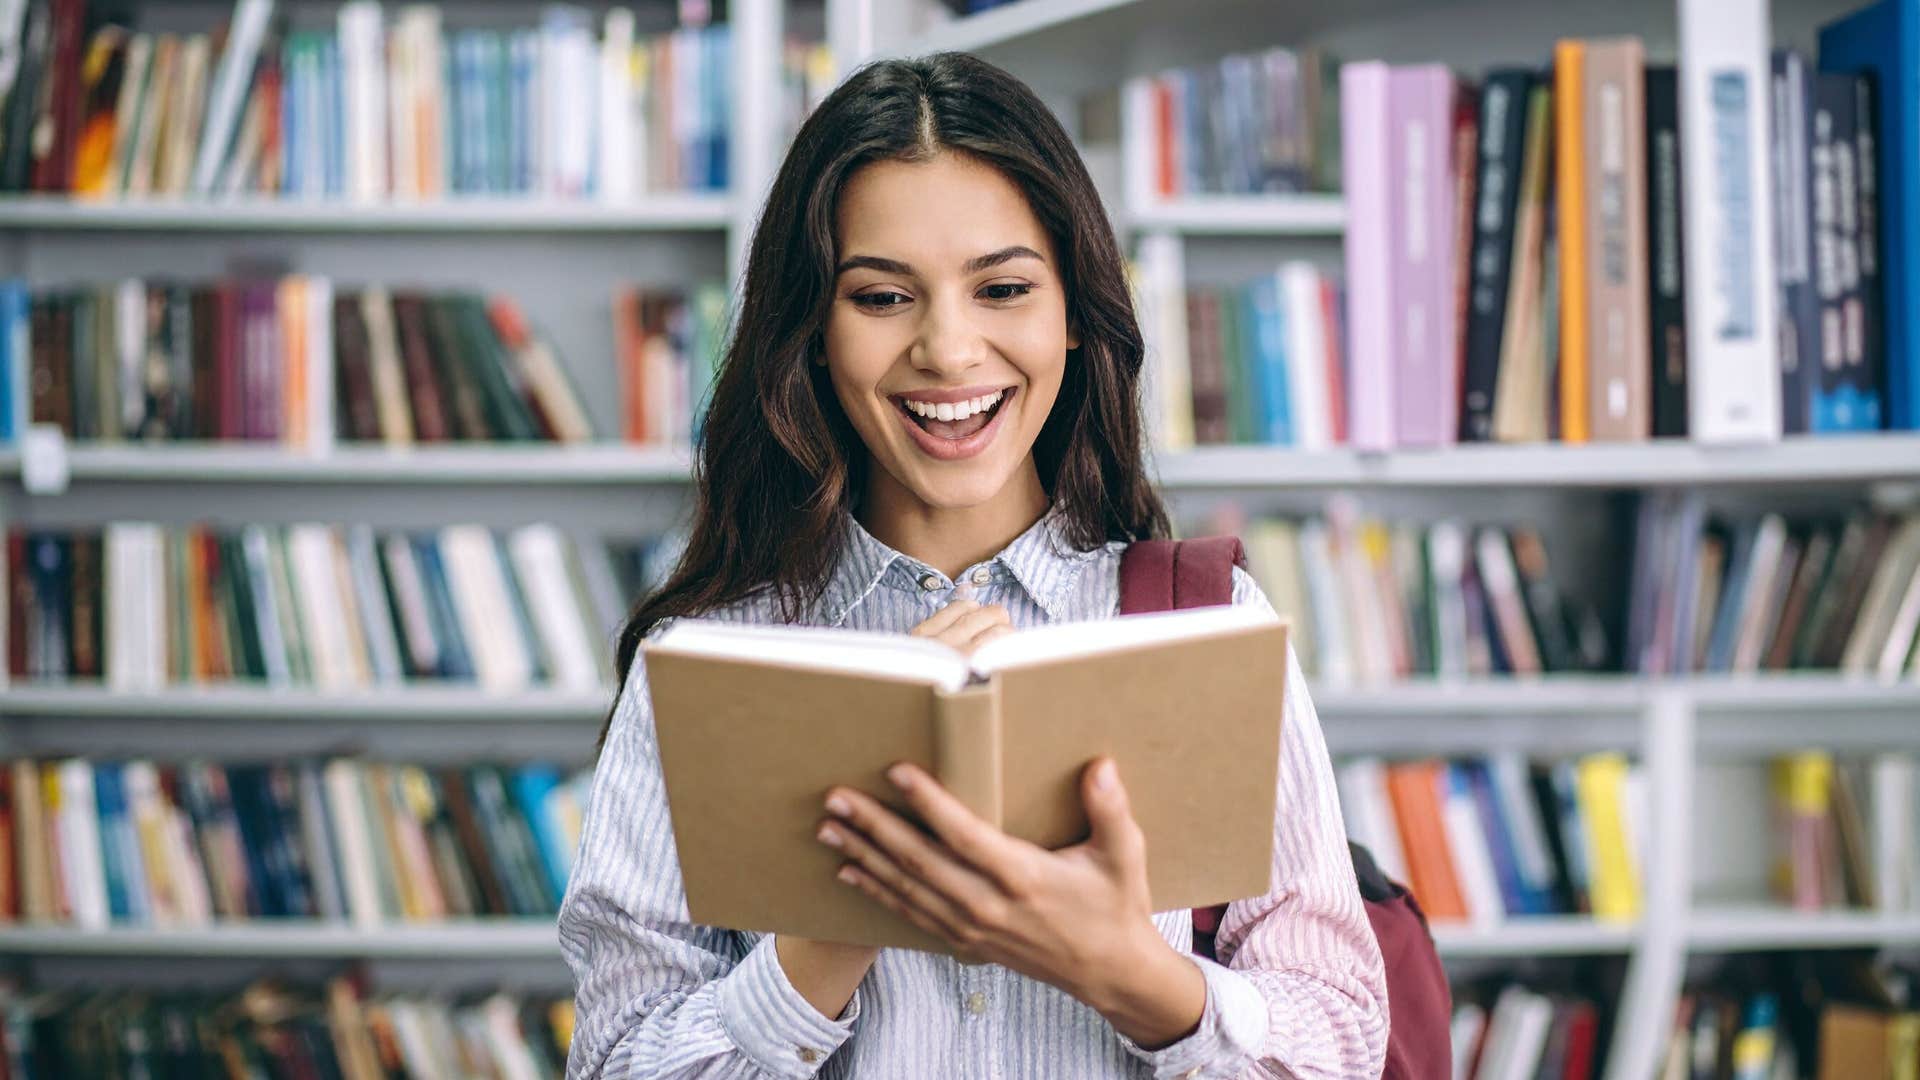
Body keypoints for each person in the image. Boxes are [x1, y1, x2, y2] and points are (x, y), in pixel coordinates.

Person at [558, 51, 1388, 1079]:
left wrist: (1130, 972)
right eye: (881, 297)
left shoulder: (1205, 622)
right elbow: (618, 1063)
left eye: (1002, 288)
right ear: (811, 333)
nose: (949, 352)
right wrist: (839, 915)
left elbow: (1343, 1040)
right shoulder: (712, 664)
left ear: (1076, 313)